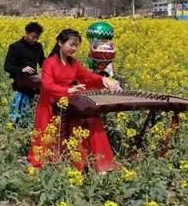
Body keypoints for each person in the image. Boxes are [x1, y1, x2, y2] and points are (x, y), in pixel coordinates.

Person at [28, 29, 120, 173]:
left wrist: (103, 79)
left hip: (68, 101)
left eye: (76, 45)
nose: (74, 48)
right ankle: (54, 163)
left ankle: (96, 163)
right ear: (60, 43)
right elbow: (46, 85)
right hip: (50, 104)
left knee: (91, 117)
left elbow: (87, 76)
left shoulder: (73, 63)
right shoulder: (49, 62)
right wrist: (67, 90)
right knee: (47, 139)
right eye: (71, 45)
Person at [3, 22, 45, 125]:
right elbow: (7, 66)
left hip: (34, 81)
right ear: (26, 33)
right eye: (33, 37)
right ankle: (16, 126)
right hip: (20, 82)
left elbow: (42, 62)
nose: (35, 40)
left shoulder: (38, 46)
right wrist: (22, 69)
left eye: (37, 37)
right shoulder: (15, 47)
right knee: (20, 110)